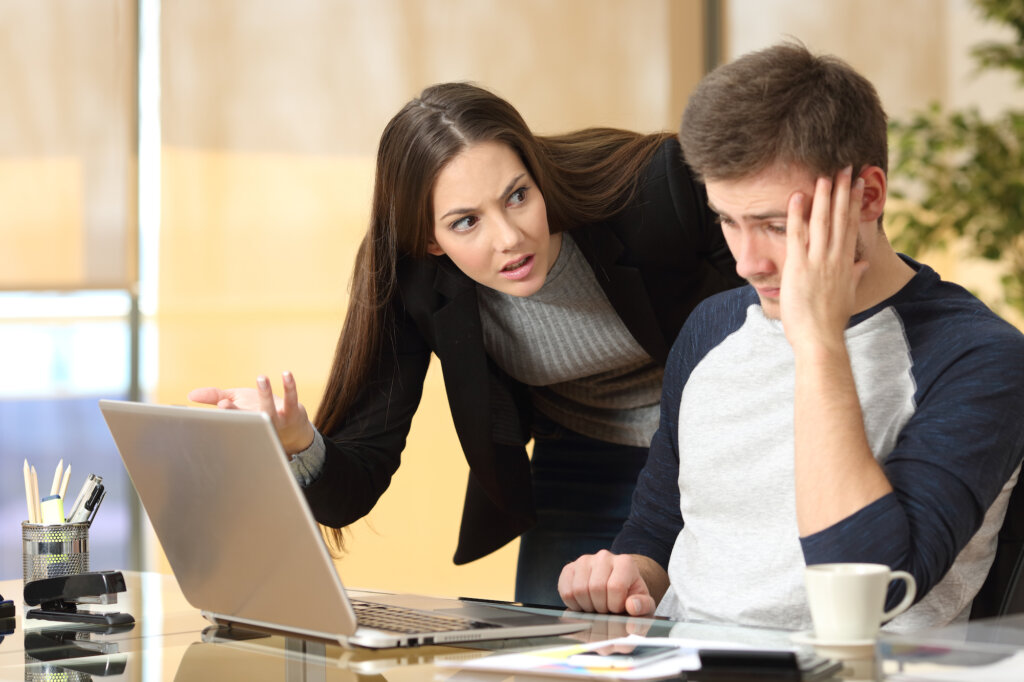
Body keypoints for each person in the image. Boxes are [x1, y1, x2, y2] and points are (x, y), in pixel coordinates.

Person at [188, 82, 742, 606]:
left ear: (536, 171)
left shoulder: (654, 191)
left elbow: (774, 316)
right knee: (557, 647)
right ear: (429, 239)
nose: (509, 238)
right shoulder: (411, 280)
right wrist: (297, 442)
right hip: (581, 457)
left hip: (721, 437)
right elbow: (352, 486)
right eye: (466, 223)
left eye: (518, 196)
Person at [558, 42, 1024, 631]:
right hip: (674, 662)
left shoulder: (979, 357)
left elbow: (869, 587)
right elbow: (657, 530)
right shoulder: (714, 325)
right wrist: (628, 575)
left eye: (776, 225)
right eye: (728, 220)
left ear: (868, 196)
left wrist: (820, 343)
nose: (748, 262)